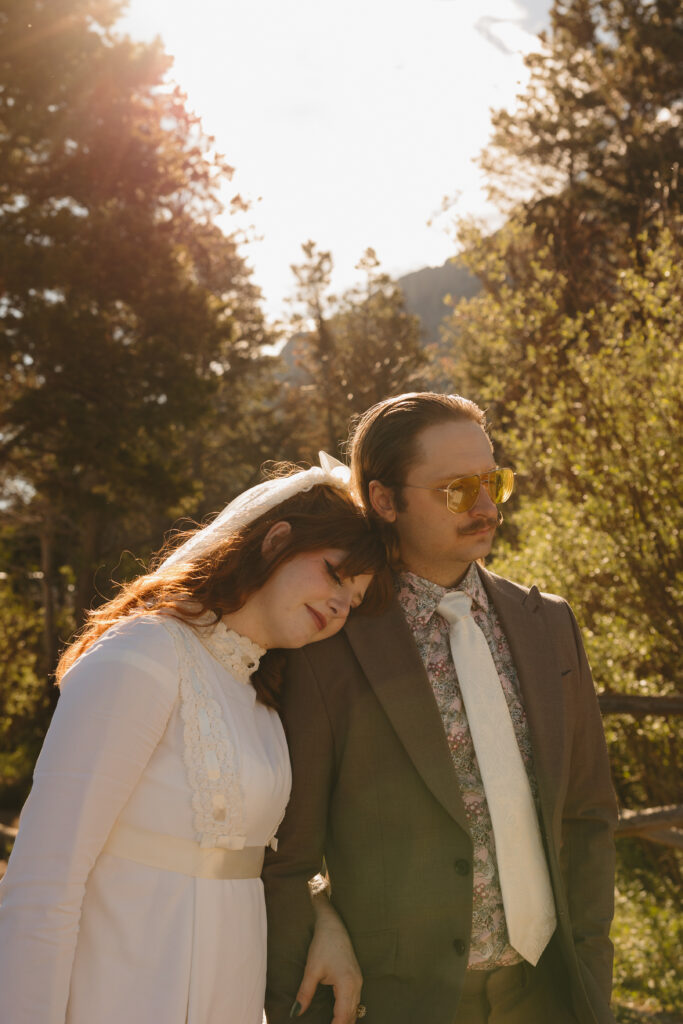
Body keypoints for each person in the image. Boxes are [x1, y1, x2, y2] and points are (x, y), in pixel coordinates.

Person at [264, 394, 618, 1024]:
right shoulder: (329, 644)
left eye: (493, 482)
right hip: (394, 1002)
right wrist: (317, 921)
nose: (485, 507)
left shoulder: (551, 624)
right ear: (384, 500)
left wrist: (590, 967)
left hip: (551, 995)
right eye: (457, 490)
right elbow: (285, 855)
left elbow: (589, 814)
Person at [0, 456, 389, 1024]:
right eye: (335, 574)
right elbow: (44, 877)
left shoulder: (260, 697)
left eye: (353, 601)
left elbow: (249, 864)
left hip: (227, 997)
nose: (339, 607)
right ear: (276, 540)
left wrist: (322, 917)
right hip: (121, 990)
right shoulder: (145, 653)